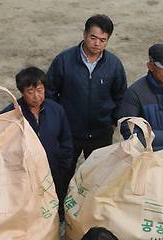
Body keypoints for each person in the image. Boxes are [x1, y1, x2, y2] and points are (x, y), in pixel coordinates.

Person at [46, 14, 127, 162]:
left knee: (98, 179)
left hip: (101, 134)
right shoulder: (63, 61)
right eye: (93, 37)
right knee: (63, 175)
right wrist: (58, 121)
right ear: (84, 35)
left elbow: (120, 96)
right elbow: (49, 92)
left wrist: (113, 122)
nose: (97, 43)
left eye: (103, 40)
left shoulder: (114, 65)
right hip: (68, 132)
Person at [2, 67, 73, 221]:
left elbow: (66, 140)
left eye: (40, 90)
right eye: (30, 91)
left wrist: (63, 167)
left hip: (53, 171)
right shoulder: (10, 115)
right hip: (25, 174)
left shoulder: (56, 110)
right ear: (21, 92)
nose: (36, 96)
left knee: (53, 204)